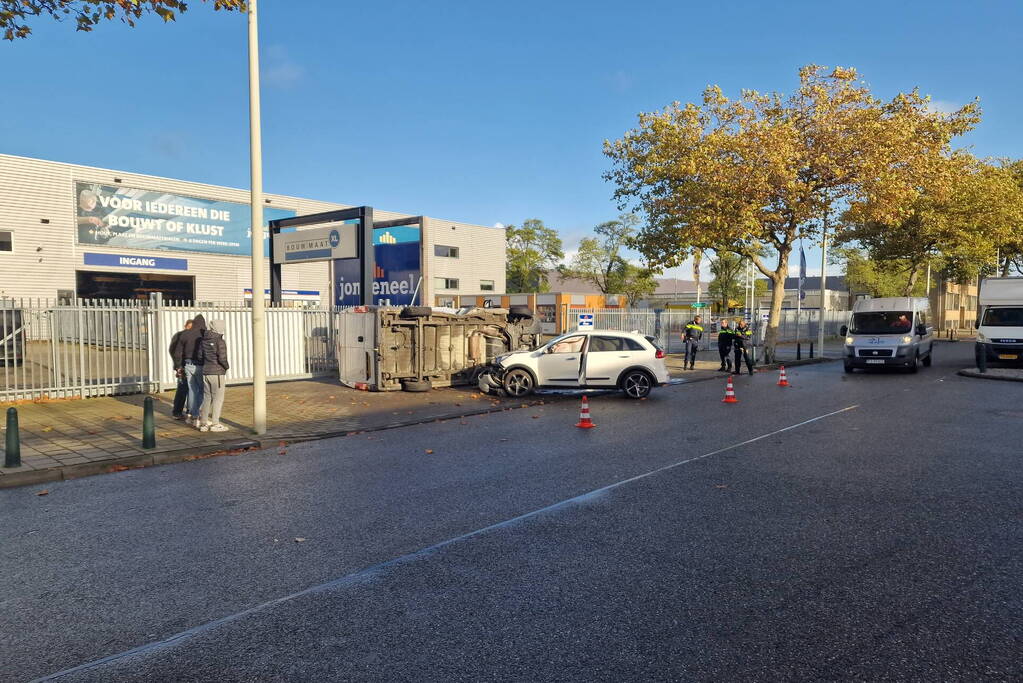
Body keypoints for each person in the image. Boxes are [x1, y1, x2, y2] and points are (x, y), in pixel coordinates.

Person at [197, 319, 230, 432]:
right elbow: (222, 358)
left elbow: (200, 357)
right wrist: (226, 367)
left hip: (206, 372)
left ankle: (203, 424)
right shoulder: (220, 341)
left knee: (207, 398)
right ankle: (215, 423)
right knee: (218, 399)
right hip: (217, 373)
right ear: (220, 328)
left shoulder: (203, 340)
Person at [173, 313, 206, 427]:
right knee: (201, 390)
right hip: (200, 365)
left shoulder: (185, 334)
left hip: (187, 365)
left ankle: (190, 414)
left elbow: (177, 352)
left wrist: (178, 366)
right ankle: (196, 414)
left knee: (192, 390)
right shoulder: (204, 334)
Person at [168, 319, 193, 420]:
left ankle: (189, 412)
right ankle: (177, 412)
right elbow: (172, 350)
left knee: (191, 389)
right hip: (182, 366)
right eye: (189, 327)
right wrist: (178, 365)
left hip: (190, 365)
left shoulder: (192, 336)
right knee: (182, 389)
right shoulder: (179, 335)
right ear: (185, 326)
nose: (190, 329)